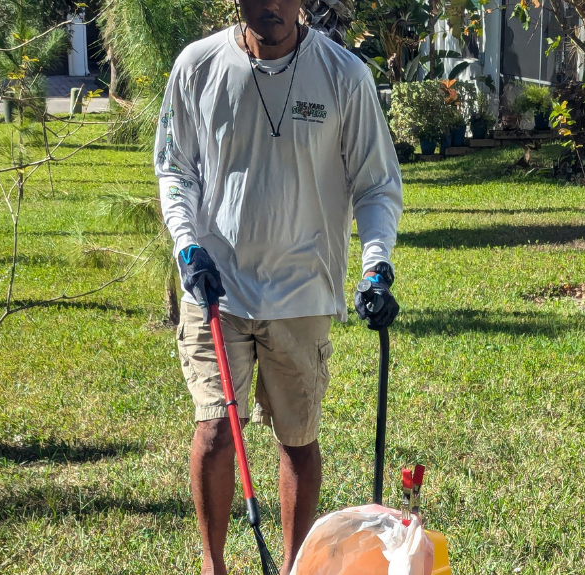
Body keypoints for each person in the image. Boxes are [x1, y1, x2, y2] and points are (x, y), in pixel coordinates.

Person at [155, 0, 402, 572]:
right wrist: (187, 244)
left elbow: (376, 185)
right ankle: (213, 565)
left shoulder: (344, 75)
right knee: (215, 430)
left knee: (297, 437)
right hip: (216, 288)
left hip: (302, 292)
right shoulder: (197, 66)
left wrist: (376, 265)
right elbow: (175, 166)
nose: (269, 4)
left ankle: (294, 567)